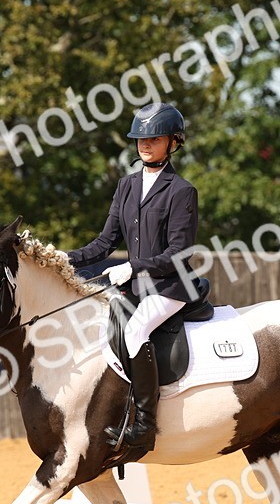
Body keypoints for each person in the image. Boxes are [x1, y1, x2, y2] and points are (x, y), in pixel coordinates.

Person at [68, 102, 199, 452]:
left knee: (137, 328)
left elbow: (178, 252)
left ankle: (144, 424)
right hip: (136, 285)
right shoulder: (126, 186)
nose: (145, 144)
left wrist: (134, 267)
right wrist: (64, 259)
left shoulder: (181, 190)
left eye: (154, 138)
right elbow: (104, 242)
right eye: (140, 138)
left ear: (173, 142)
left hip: (171, 285)